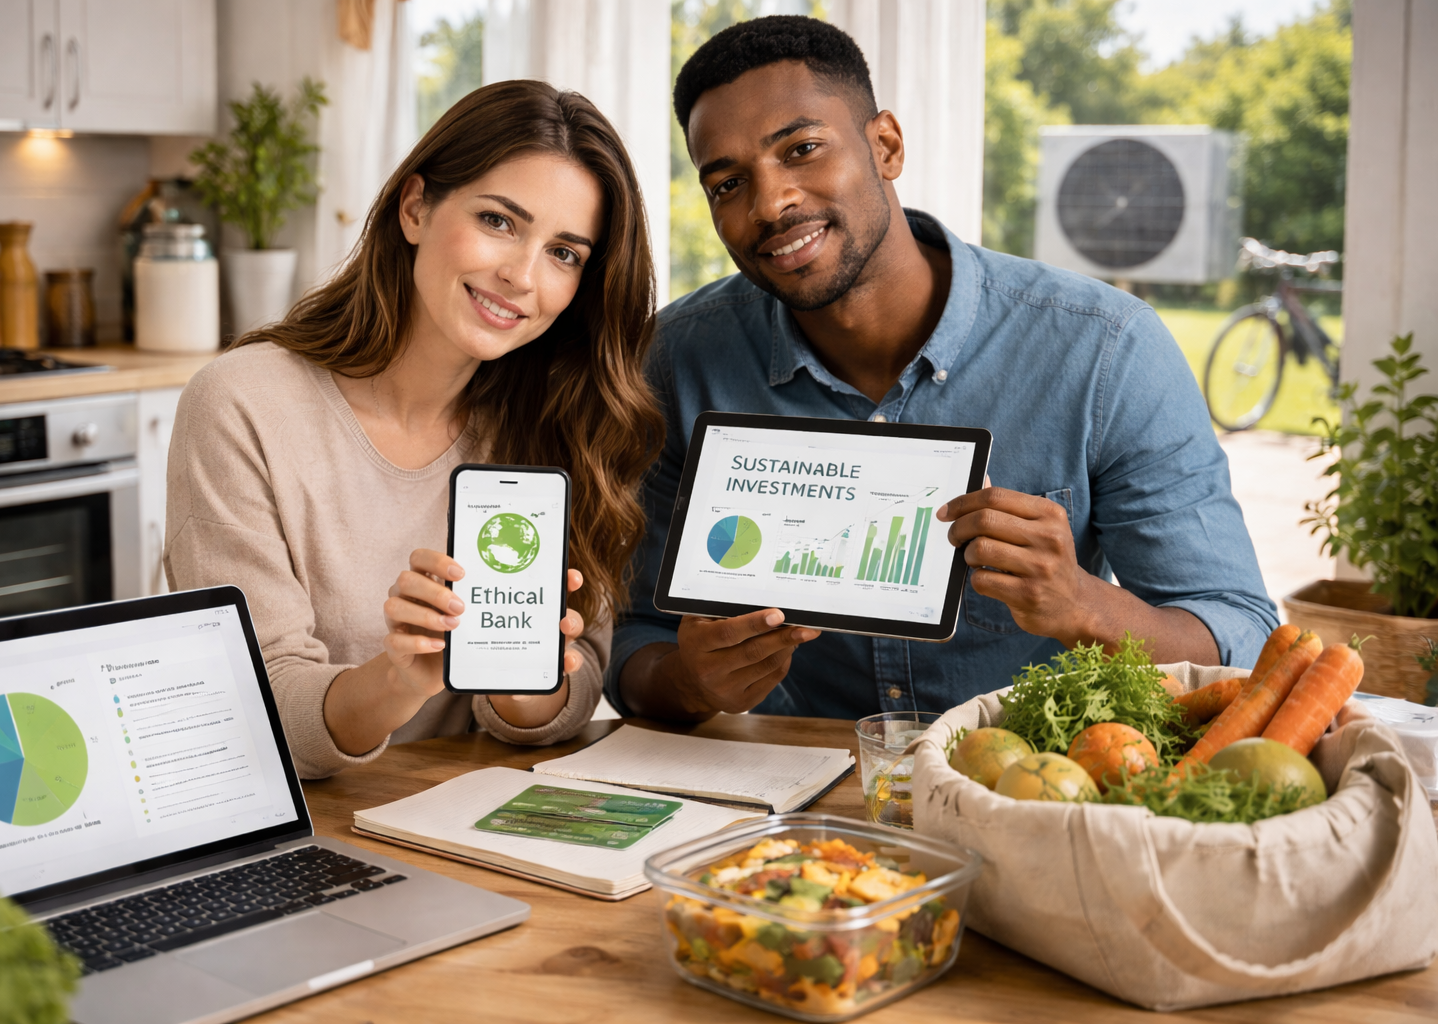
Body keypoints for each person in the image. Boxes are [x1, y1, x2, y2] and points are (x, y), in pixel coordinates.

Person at [609, 16, 1277, 723]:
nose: (770, 204)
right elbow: (631, 638)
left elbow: (1240, 635)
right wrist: (691, 682)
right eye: (727, 184)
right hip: (785, 795)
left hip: (1033, 783)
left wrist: (1083, 603)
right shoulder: (674, 361)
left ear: (886, 145)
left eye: (802, 149)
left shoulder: (1105, 349)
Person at [166, 80, 662, 778]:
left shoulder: (563, 420)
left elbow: (574, 691)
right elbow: (257, 700)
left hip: (474, 818)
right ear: (416, 208)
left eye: (564, 253)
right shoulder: (243, 404)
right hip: (302, 831)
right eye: (498, 221)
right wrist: (402, 677)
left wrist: (525, 682)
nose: (522, 275)